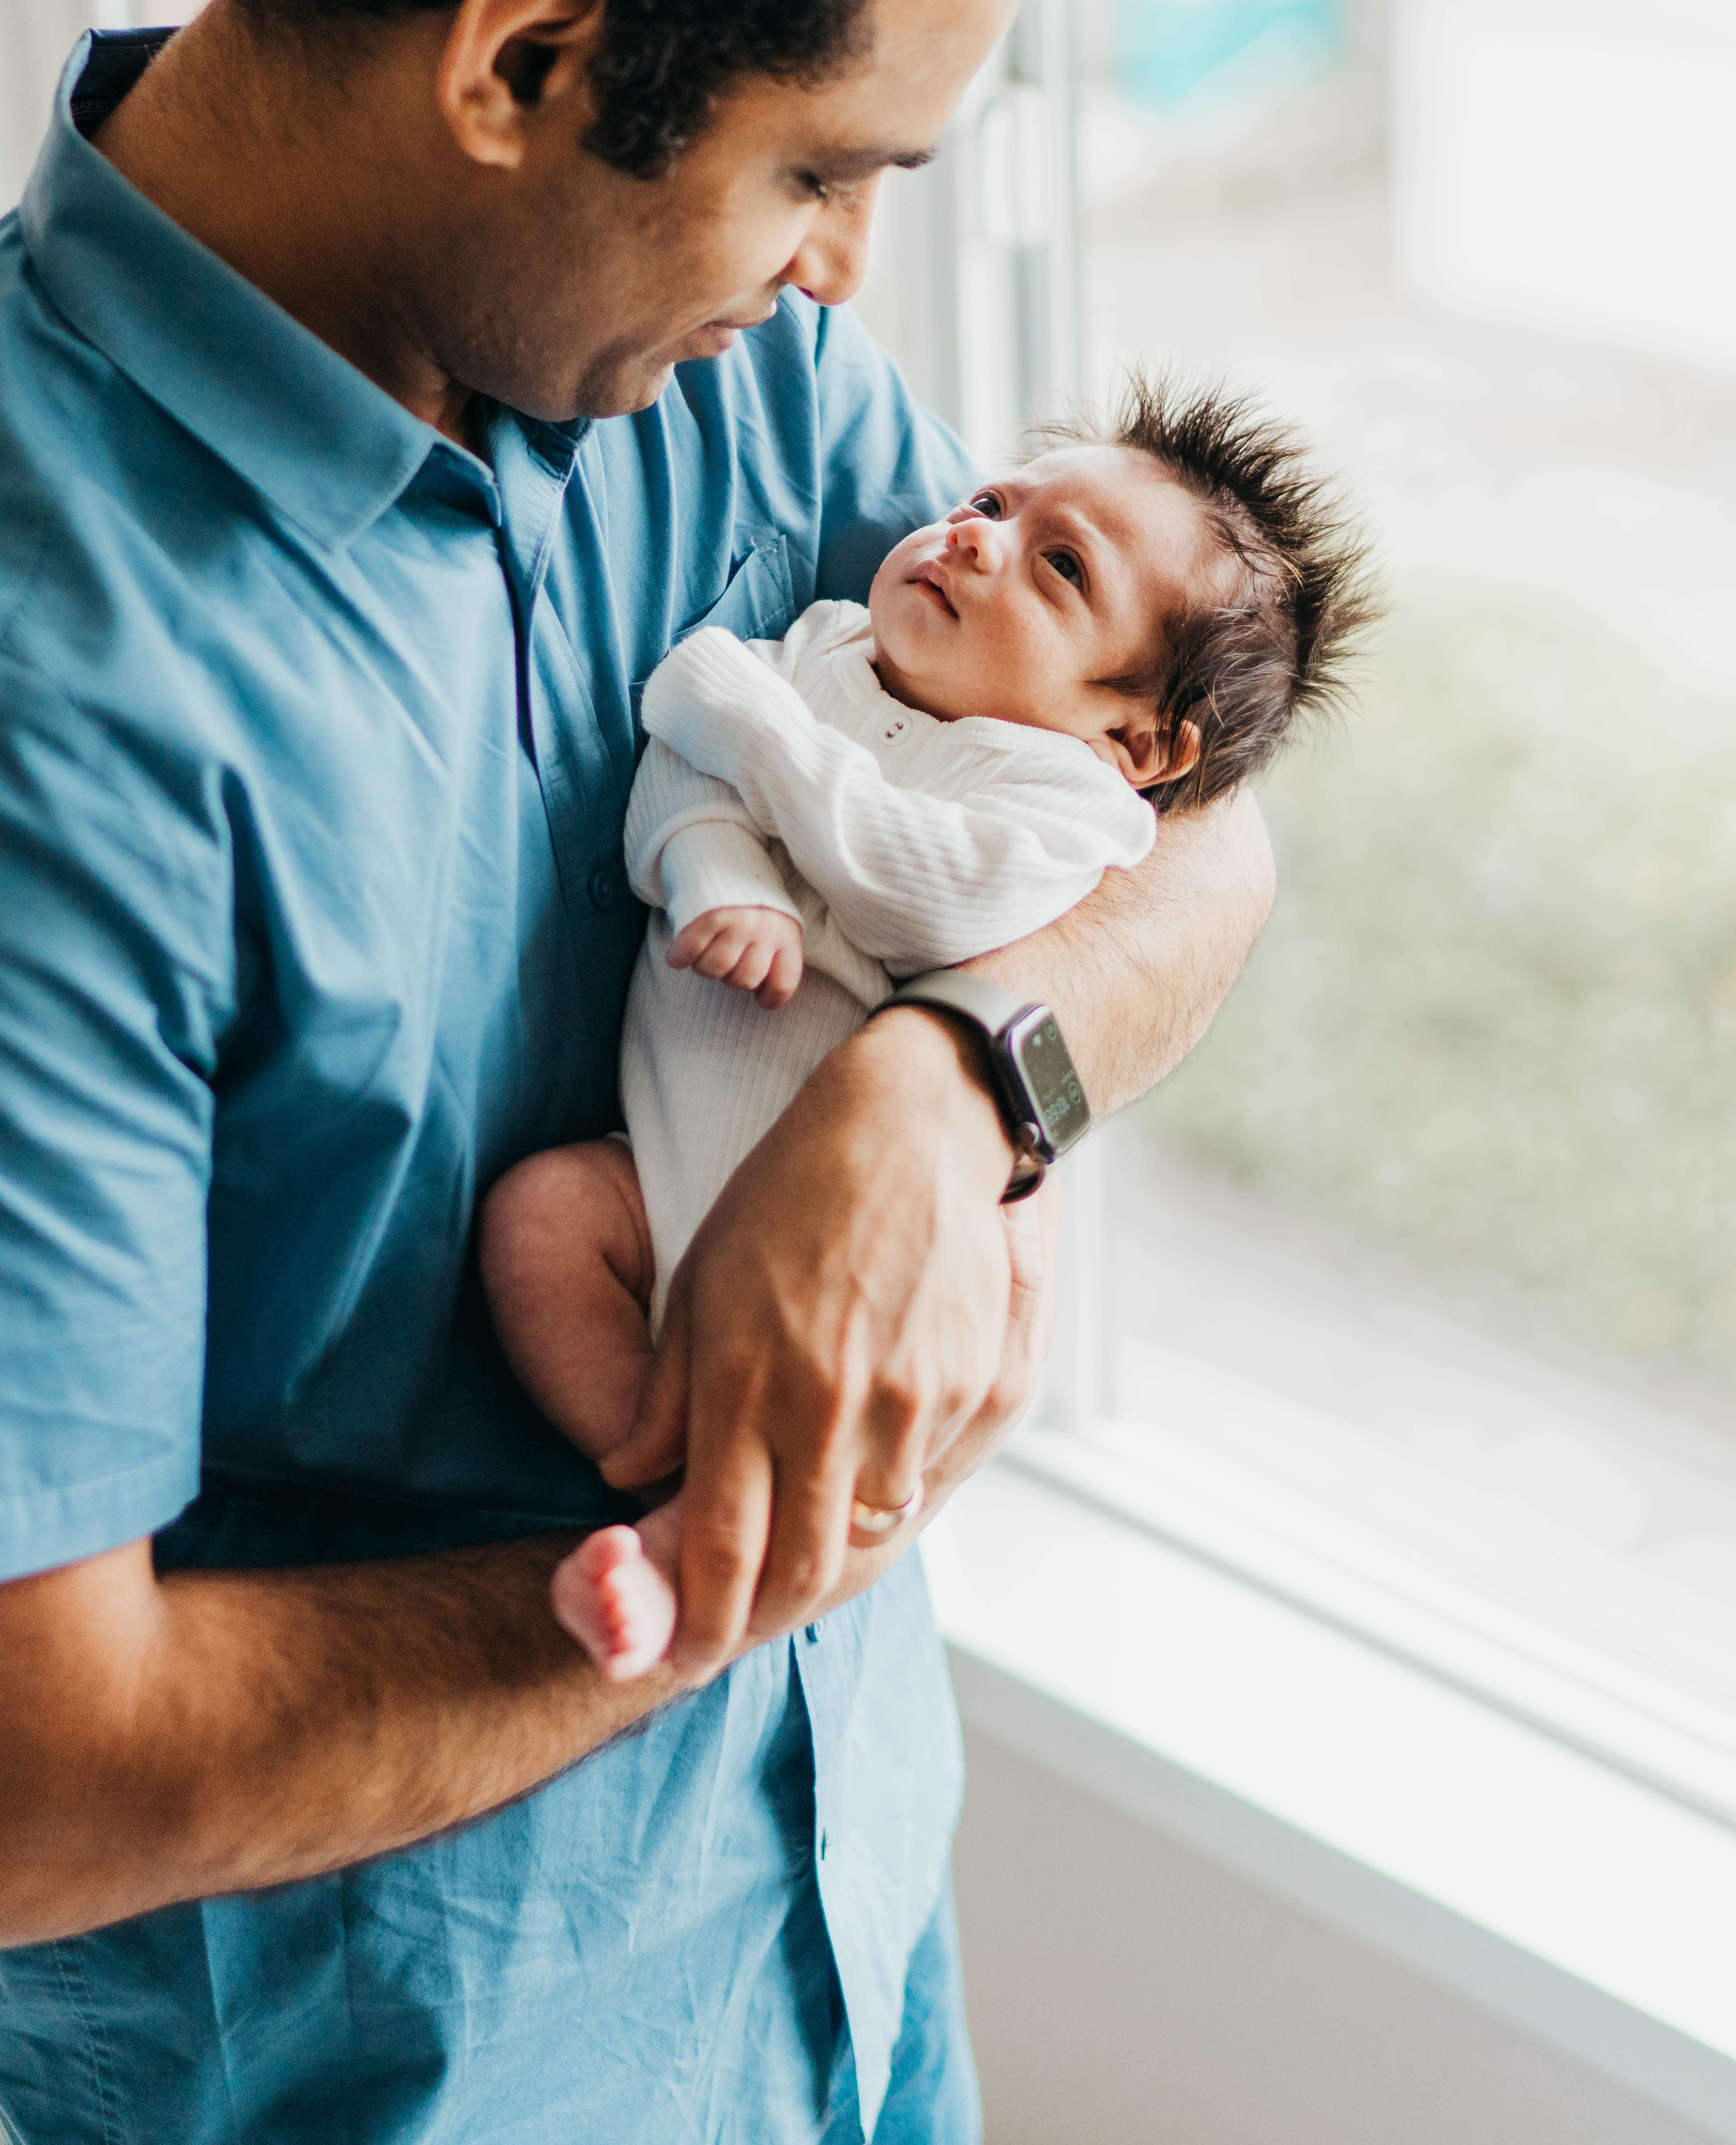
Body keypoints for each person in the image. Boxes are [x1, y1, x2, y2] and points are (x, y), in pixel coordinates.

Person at [0, 0, 1276, 2145]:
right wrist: (744, 1564)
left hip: (846, 1969)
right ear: (530, 56)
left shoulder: (718, 380)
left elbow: (1190, 830)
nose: (849, 267)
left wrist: (950, 1097)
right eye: (822, 173)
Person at [488, 385, 1371, 1681]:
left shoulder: (1065, 803)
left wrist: (750, 726)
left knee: (826, 1443)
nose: (975, 534)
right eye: (990, 503)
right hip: (658, 1165)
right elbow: (680, 770)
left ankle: (688, 1556)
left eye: (1058, 567)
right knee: (540, 1224)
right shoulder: (835, 650)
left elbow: (922, 880)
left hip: (864, 1247)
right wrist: (713, 871)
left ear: (1139, 738)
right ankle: (643, 1450)